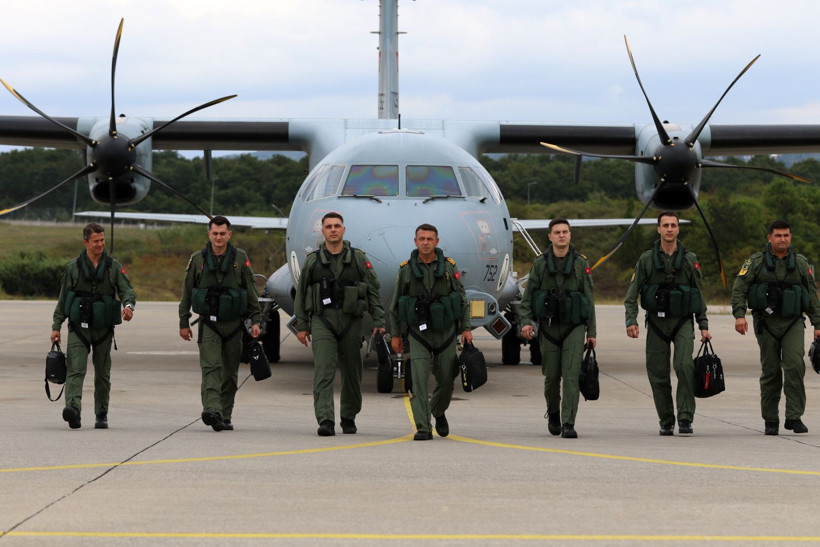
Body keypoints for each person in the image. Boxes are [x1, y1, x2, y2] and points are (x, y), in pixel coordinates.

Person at [293, 212, 385, 436]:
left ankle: (348, 416)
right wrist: (302, 325)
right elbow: (302, 293)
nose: (333, 230)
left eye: (337, 226)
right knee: (323, 370)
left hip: (351, 321)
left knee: (353, 371)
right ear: (323, 231)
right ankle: (325, 419)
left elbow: (372, 289)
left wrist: (379, 319)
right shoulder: (313, 261)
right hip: (322, 320)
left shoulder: (359, 259)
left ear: (344, 230)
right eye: (328, 226)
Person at [624, 211, 711, 436]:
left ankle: (684, 417)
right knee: (658, 373)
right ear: (659, 229)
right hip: (655, 323)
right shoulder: (646, 260)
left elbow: (698, 294)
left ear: (678, 229)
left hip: (682, 321)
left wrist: (703, 325)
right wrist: (630, 320)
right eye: (666, 225)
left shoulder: (690, 259)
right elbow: (632, 294)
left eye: (673, 225)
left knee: (684, 366)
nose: (670, 229)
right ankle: (666, 419)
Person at [731, 219, 820, 435]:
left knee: (794, 366)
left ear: (791, 237)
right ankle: (771, 419)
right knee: (770, 371)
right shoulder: (755, 262)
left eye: (786, 235)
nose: (783, 239)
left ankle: (794, 416)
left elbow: (811, 294)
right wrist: (739, 315)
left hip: (792, 322)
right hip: (766, 323)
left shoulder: (800, 263)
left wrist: (818, 323)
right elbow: (739, 288)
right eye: (778, 235)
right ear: (769, 237)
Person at [390, 223, 472, 441]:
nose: (425, 242)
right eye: (421, 239)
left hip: (445, 332)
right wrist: (396, 335)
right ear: (415, 241)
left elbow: (462, 299)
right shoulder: (406, 270)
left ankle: (437, 410)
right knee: (418, 380)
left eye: (429, 239)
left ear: (436, 241)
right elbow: (396, 305)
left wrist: (466, 328)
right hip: (419, 334)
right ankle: (423, 427)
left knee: (447, 378)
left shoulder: (448, 268)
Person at [179, 216, 261, 432]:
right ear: (209, 234)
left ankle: (225, 414)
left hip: (234, 325)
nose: (218, 237)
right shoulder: (198, 260)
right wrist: (183, 321)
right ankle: (211, 410)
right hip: (209, 325)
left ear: (229, 234)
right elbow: (186, 293)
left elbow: (252, 292)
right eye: (214, 233)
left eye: (222, 233)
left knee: (230, 373)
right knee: (211, 368)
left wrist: (256, 320)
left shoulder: (240, 259)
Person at [51, 223, 135, 430]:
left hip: (103, 329)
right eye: (96, 241)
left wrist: (128, 306)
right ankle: (73, 410)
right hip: (78, 328)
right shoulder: (73, 267)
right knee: (75, 370)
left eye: (102, 240)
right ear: (85, 242)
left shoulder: (113, 266)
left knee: (103, 374)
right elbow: (63, 300)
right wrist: (56, 326)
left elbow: (127, 290)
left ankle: (101, 413)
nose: (100, 244)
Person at [519, 218, 596, 438]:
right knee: (552, 378)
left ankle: (568, 422)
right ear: (550, 236)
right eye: (557, 232)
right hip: (549, 330)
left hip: (574, 327)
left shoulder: (581, 264)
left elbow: (589, 299)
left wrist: (592, 333)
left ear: (570, 235)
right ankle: (553, 412)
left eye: (565, 232)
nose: (561, 235)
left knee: (571, 376)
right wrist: (525, 321)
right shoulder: (540, 264)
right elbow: (528, 296)